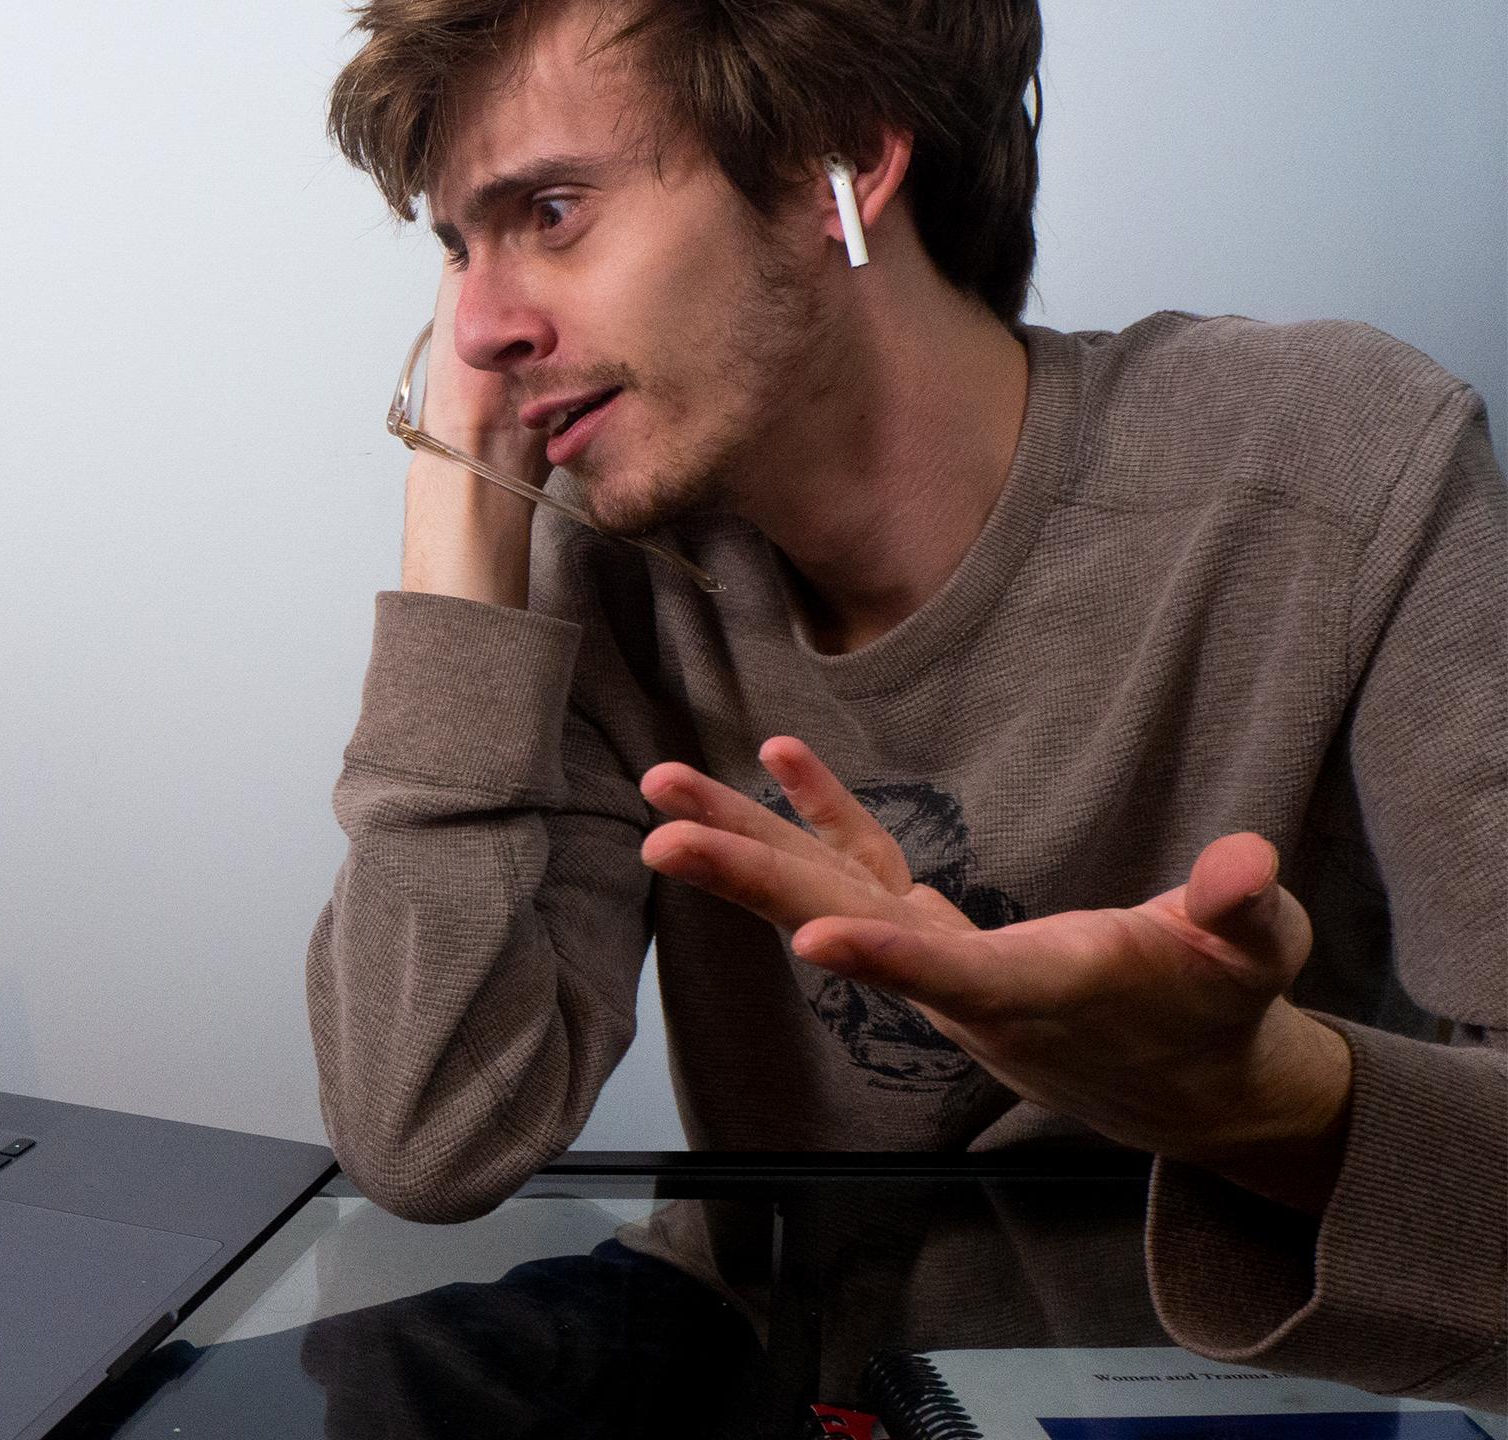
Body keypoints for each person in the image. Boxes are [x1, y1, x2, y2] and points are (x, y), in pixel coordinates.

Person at [306, 0, 1508, 1408]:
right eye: (456, 247)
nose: (481, 330)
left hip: (1192, 1370)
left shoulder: (1342, 472)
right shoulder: (606, 559)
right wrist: (458, 533)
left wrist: (1266, 1099)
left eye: (552, 212)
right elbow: (426, 1134)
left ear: (839, 165)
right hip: (767, 1339)